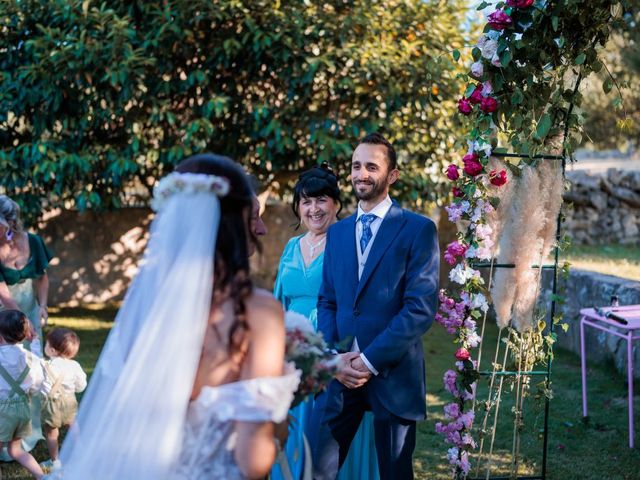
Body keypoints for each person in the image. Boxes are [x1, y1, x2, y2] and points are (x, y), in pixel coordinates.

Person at [53, 154, 299, 479]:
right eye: (253, 216)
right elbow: (253, 460)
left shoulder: (145, 308)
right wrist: (277, 420)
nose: (262, 229)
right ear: (234, 221)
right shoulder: (258, 311)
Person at [308, 133, 439, 480]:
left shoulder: (418, 230)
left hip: (392, 373)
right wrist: (335, 357)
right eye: (355, 166)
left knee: (395, 473)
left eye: (371, 166)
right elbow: (328, 300)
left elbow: (420, 308)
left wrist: (367, 361)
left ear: (392, 175)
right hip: (340, 372)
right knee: (316, 470)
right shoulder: (337, 233)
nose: (361, 174)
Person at [271, 164, 379, 480]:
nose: (314, 209)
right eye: (306, 201)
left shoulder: (350, 241)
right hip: (294, 353)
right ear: (298, 207)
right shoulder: (291, 247)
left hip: (335, 346)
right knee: (295, 431)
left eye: (321, 200)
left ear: (335, 203)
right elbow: (279, 302)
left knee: (330, 438)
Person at [0, 195, 54, 460]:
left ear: (10, 222)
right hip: (4, 312)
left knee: (30, 369)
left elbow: (42, 278)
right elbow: (3, 293)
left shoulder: (33, 241)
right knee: (5, 370)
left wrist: (42, 307)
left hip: (29, 308)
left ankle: (27, 433)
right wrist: (23, 322)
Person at [0, 309, 48, 479]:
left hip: (2, 412)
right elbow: (38, 380)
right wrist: (35, 343)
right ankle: (42, 477)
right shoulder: (29, 357)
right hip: (22, 410)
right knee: (16, 449)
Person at [40, 328, 87, 471]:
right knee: (73, 426)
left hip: (52, 405)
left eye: (46, 344)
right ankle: (81, 454)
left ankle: (55, 462)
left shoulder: (46, 366)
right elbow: (81, 386)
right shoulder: (75, 365)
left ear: (52, 350)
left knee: (51, 432)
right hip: (70, 403)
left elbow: (43, 387)